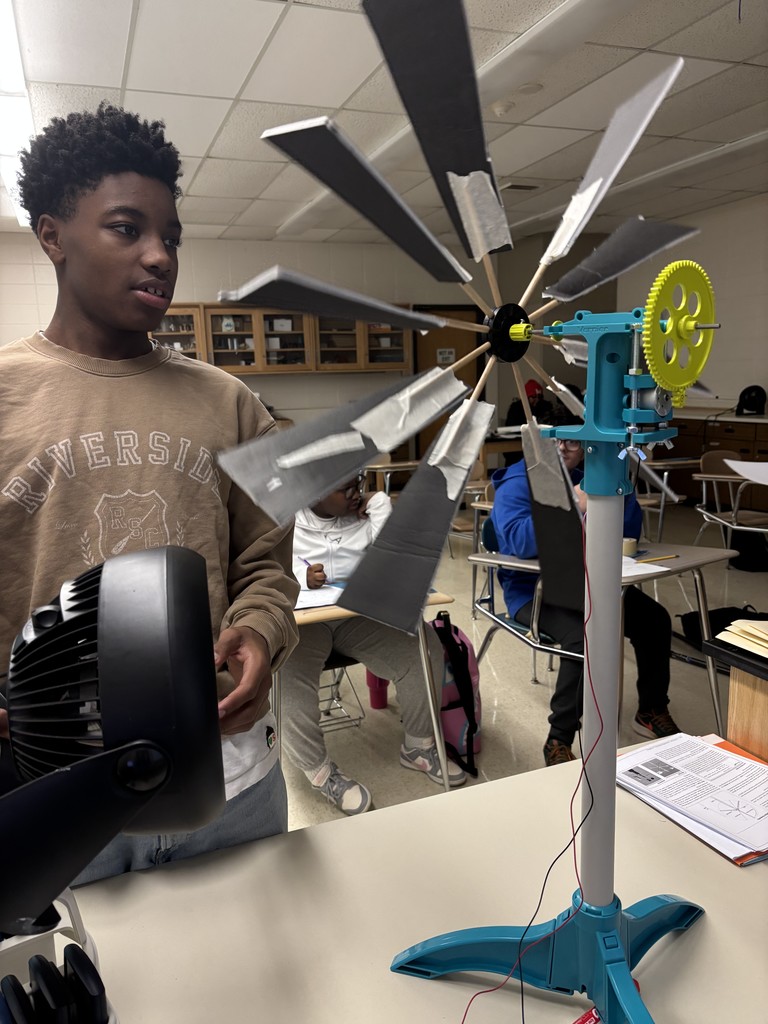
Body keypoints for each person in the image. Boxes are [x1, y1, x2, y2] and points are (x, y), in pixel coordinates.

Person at [0, 104, 300, 882]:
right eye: (127, 229)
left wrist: (261, 635)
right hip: (57, 796)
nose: (159, 256)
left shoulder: (232, 402)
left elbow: (268, 561)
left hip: (229, 781)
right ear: (53, 235)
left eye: (170, 237)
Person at [490, 438, 679, 767]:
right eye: (553, 440)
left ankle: (650, 708)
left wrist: (618, 484)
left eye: (574, 442)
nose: (562, 448)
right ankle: (558, 738)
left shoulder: (591, 476)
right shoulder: (520, 481)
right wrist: (576, 504)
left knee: (655, 619)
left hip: (592, 583)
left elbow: (628, 533)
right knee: (583, 635)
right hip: (533, 591)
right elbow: (517, 542)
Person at [283, 476, 466, 814]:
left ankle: (418, 747)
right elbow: (262, 572)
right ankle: (321, 773)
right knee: (286, 674)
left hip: (357, 616)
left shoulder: (365, 514)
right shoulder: (285, 518)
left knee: (422, 646)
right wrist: (296, 577)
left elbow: (399, 566)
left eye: (360, 482)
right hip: (304, 623)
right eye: (346, 488)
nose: (357, 494)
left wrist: (382, 508)